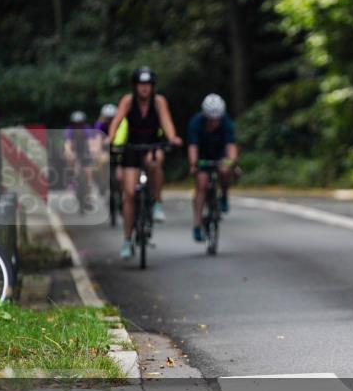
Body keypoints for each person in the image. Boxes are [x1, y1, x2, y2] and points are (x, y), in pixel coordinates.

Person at [106, 67, 183, 259]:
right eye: (141, 85)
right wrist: (110, 138)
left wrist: (172, 137)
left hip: (152, 145)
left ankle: (156, 202)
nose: (144, 89)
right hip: (131, 148)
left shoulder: (158, 102)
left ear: (153, 87)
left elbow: (166, 122)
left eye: (148, 85)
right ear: (135, 86)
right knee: (129, 194)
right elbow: (116, 121)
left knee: (154, 162)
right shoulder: (127, 101)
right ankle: (126, 239)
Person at [187, 93, 238, 242]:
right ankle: (197, 223)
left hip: (219, 154)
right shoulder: (196, 123)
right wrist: (193, 164)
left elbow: (231, 147)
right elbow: (192, 147)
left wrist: (231, 162)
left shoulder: (227, 123)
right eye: (211, 119)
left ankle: (224, 195)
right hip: (202, 155)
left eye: (217, 119)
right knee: (201, 183)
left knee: (225, 170)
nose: (214, 122)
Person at [63, 110, 99, 210]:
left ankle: (89, 196)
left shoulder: (86, 129)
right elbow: (67, 143)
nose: (78, 126)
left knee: (88, 175)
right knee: (69, 158)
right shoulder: (69, 130)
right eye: (76, 124)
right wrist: (69, 152)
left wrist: (93, 151)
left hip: (85, 153)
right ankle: (71, 178)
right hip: (75, 153)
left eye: (80, 124)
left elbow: (91, 143)